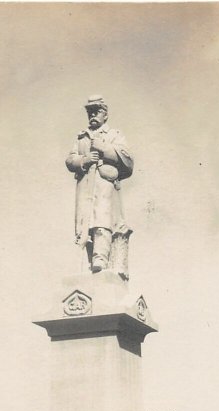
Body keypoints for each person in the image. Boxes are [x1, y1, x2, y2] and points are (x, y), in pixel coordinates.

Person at [66, 95, 134, 277]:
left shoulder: (114, 135)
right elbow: (70, 159)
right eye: (90, 112)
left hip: (104, 184)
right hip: (85, 185)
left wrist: (104, 148)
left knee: (102, 219)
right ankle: (88, 259)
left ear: (105, 115)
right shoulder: (82, 137)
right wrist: (84, 159)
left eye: (97, 111)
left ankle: (100, 258)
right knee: (85, 223)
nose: (93, 115)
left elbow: (128, 160)